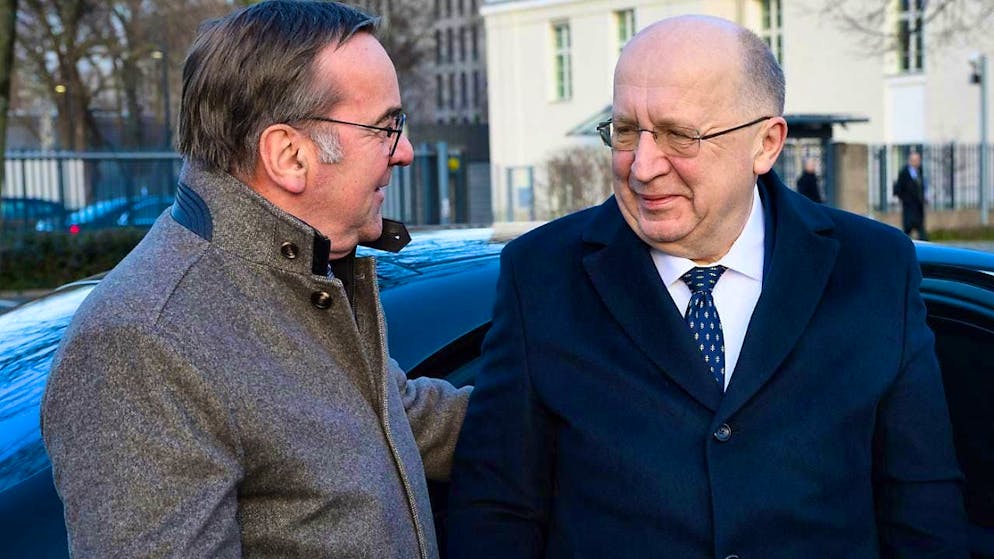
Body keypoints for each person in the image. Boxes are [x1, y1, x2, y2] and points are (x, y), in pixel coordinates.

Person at [447, 15, 966, 559]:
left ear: (766, 144)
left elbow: (923, 506)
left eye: (679, 135)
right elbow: (497, 510)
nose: (643, 167)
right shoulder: (542, 276)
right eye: (625, 131)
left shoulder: (875, 270)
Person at [41, 2, 470, 557]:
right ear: (289, 155)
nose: (405, 152)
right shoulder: (143, 343)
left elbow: (403, 415)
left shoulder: (291, 280)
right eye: (386, 128)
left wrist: (590, 399)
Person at [894, 150, 928, 240]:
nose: (917, 162)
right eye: (914, 160)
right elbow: (898, 189)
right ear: (910, 161)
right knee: (907, 230)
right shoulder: (904, 173)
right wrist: (905, 199)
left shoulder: (919, 171)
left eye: (918, 160)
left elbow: (921, 187)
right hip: (909, 208)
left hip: (918, 208)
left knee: (922, 232)